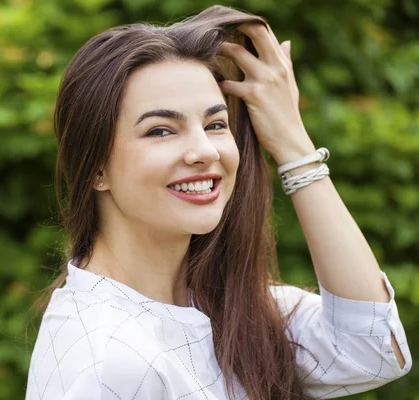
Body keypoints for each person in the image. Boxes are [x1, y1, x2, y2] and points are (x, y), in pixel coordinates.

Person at [25, 5, 412, 400]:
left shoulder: (229, 309)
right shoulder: (106, 361)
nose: (204, 150)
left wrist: (293, 142)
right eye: (160, 130)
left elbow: (373, 347)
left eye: (215, 124)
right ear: (95, 169)